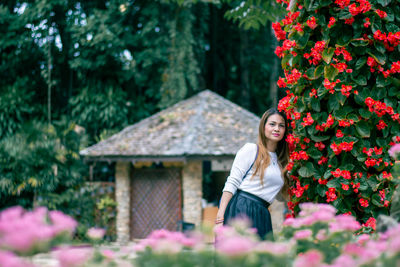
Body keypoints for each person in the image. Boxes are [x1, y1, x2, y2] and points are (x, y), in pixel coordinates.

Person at [215, 108, 290, 239]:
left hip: (263, 212)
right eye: (272, 124)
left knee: (260, 257)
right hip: (242, 207)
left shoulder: (281, 162)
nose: (277, 128)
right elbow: (232, 182)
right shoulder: (251, 149)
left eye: (281, 125)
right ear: (263, 127)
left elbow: (278, 196)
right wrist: (220, 218)